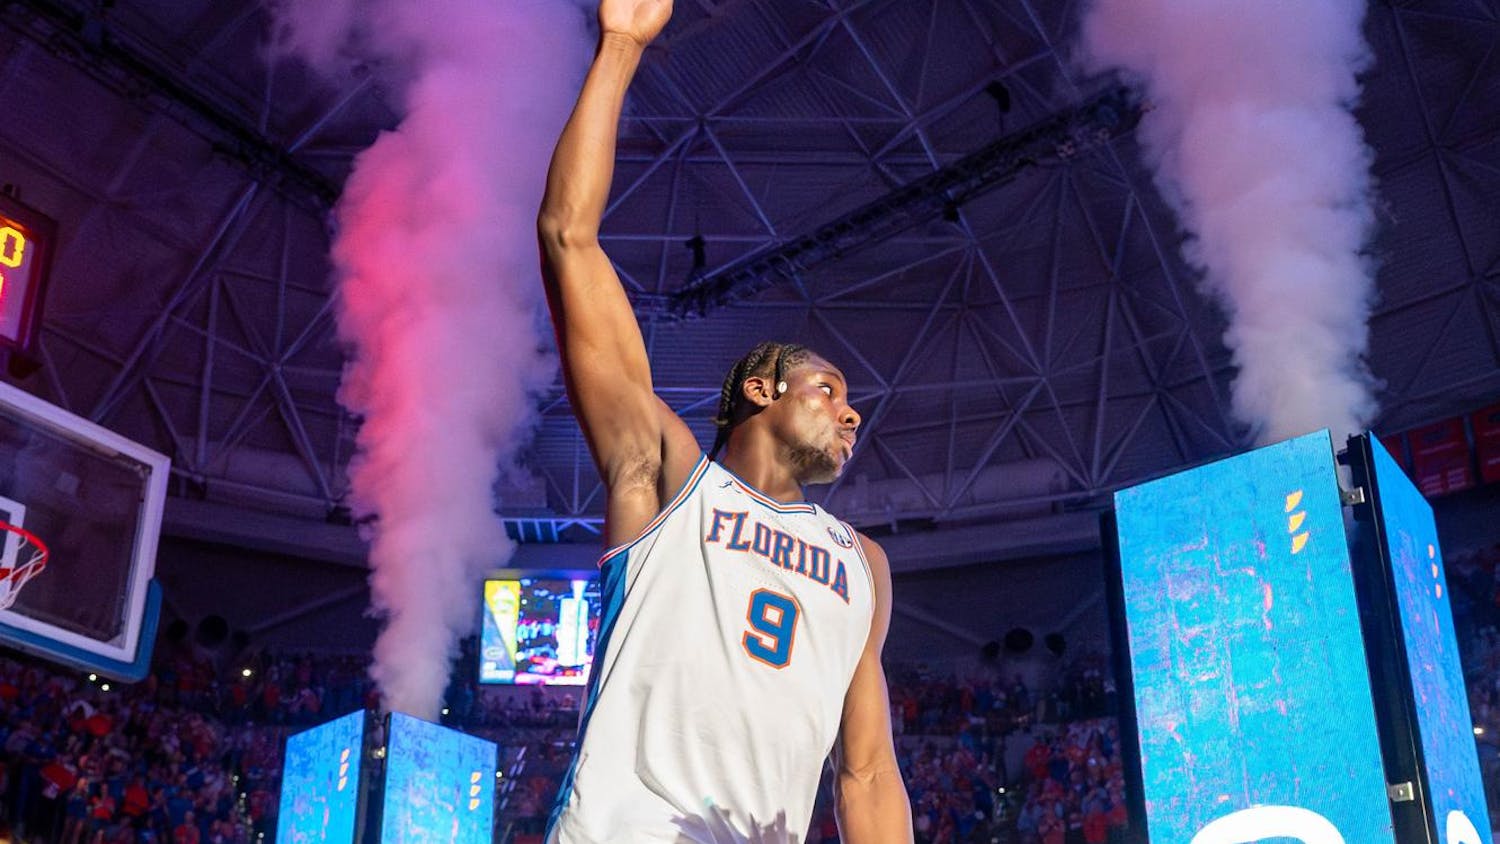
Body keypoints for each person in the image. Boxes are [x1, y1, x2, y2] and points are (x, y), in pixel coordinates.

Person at [536, 0, 912, 841]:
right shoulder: (666, 476)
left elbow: (867, 772)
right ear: (760, 392)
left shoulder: (865, 565)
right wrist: (623, 47)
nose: (850, 411)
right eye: (827, 387)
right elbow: (569, 238)